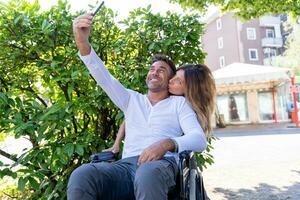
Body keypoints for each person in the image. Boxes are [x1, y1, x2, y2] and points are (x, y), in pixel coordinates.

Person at [68, 12, 208, 200]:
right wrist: (83, 43)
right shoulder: (131, 99)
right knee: (83, 174)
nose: (154, 72)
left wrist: (167, 144)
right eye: (152, 69)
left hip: (161, 166)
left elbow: (199, 139)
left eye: (162, 70)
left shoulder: (179, 104)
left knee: (147, 174)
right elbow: (104, 77)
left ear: (169, 80)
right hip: (126, 167)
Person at [105, 64, 216, 154]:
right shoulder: (164, 95)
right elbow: (130, 118)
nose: (171, 81)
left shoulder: (183, 104)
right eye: (174, 76)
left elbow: (197, 139)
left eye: (178, 81)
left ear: (189, 90)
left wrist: (167, 144)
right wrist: (117, 143)